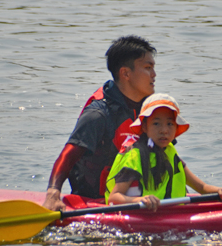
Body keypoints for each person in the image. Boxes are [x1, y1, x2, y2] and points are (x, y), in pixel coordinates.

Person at [43, 35, 157, 211]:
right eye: (148, 68)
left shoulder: (152, 110)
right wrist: (53, 194)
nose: (154, 75)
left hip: (142, 200)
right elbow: (68, 155)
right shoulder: (98, 114)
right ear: (125, 73)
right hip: (94, 203)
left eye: (153, 68)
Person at [105, 93, 222, 211]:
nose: (164, 130)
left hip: (169, 214)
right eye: (156, 124)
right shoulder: (134, 156)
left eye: (170, 124)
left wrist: (221, 191)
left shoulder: (170, 153)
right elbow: (114, 198)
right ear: (144, 127)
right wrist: (140, 200)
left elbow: (202, 188)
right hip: (138, 216)